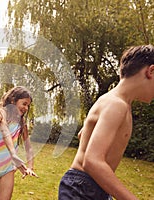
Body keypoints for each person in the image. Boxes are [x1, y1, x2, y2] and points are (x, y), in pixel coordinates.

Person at [58, 44, 154, 200]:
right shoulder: (116, 104)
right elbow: (92, 161)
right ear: (150, 71)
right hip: (82, 188)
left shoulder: (115, 102)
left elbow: (85, 135)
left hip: (95, 187)